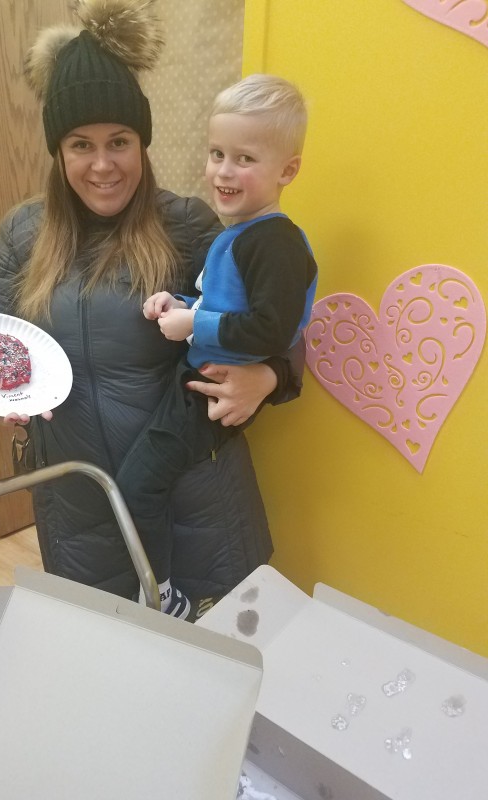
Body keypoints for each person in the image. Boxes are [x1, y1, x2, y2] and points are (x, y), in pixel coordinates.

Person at [0, 0, 301, 619]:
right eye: (81, 144)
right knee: (111, 655)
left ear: (142, 144)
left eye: (119, 142)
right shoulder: (23, 233)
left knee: (214, 658)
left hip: (196, 500)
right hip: (80, 500)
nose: (103, 165)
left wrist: (267, 376)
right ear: (58, 151)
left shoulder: (187, 225)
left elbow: (278, 319)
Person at [115, 74, 318, 618]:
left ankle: (163, 596)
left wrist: (194, 326)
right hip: (201, 379)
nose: (224, 171)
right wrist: (178, 302)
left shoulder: (275, 242)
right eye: (217, 154)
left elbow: (271, 330)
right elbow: (221, 302)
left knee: (137, 486)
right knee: (142, 483)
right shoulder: (242, 233)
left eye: (244, 158)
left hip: (210, 390)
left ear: (287, 170)